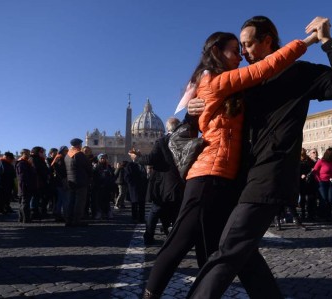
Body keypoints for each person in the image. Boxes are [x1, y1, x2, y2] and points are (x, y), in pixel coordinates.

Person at [183, 16, 332, 299]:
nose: (243, 53)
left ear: (267, 41)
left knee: (229, 249)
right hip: (237, 178)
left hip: (270, 175)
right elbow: (213, 118)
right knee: (244, 257)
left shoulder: (298, 73)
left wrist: (329, 41)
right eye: (240, 47)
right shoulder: (242, 83)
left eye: (247, 45)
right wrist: (195, 108)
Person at [143, 23, 317, 298]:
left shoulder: (227, 85)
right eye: (235, 51)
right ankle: (150, 294)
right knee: (180, 239)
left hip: (224, 175)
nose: (240, 57)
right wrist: (306, 42)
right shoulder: (214, 79)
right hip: (208, 173)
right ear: (216, 51)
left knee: (211, 243)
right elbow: (263, 68)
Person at [128, 117, 184, 246]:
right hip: (180, 182)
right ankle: (175, 237)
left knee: (155, 210)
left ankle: (149, 235)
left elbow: (150, 159)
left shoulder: (162, 141)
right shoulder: (183, 141)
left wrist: (137, 157)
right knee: (175, 210)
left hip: (163, 183)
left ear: (167, 128)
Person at [64, 138, 93, 227]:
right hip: (80, 181)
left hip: (71, 181)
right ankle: (77, 220)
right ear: (78, 145)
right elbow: (88, 167)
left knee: (71, 201)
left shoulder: (67, 155)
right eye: (80, 145)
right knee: (79, 202)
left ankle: (69, 219)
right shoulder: (79, 154)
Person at [313, 147, 332, 220]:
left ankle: (328, 215)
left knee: (330, 199)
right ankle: (322, 215)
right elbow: (315, 171)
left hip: (331, 182)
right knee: (323, 199)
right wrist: (319, 180)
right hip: (322, 182)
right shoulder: (321, 161)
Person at [125, 150, 148, 223]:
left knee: (142, 203)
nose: (137, 157)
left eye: (138, 155)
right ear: (132, 157)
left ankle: (141, 218)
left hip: (142, 187)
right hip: (134, 187)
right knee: (134, 203)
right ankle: (134, 218)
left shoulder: (142, 165)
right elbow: (127, 177)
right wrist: (132, 185)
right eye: (136, 155)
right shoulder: (130, 165)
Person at [15, 149, 36, 223]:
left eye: (29, 153)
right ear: (22, 153)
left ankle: (21, 218)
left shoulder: (25, 162)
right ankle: (26, 219)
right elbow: (22, 177)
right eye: (27, 153)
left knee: (23, 203)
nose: (28, 155)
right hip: (25, 186)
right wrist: (28, 185)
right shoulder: (22, 163)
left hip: (24, 186)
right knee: (24, 203)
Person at [50, 146, 69, 222]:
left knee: (60, 199)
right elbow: (62, 170)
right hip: (62, 181)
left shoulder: (57, 158)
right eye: (66, 150)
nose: (67, 152)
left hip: (58, 181)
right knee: (64, 199)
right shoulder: (61, 158)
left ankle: (57, 214)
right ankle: (65, 215)